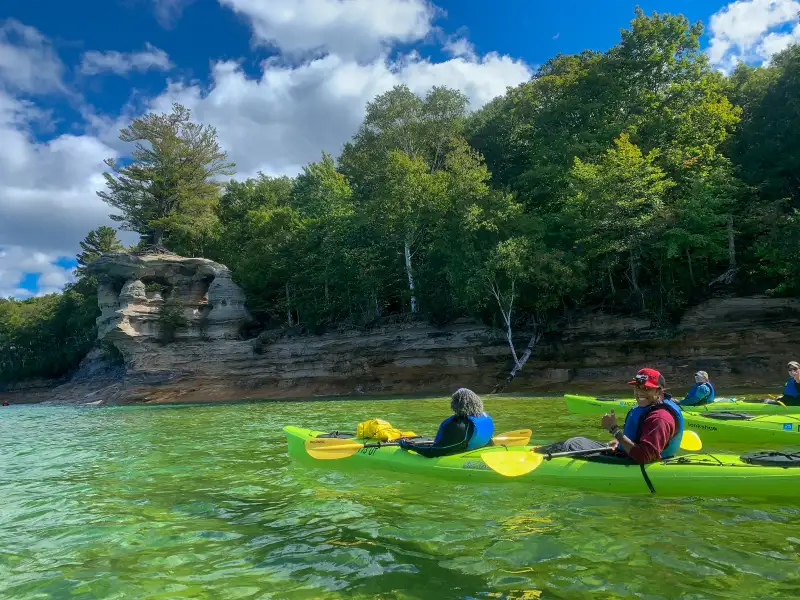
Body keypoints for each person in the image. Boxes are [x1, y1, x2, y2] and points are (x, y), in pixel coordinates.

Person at [536, 368, 685, 465]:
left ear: (659, 392)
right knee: (581, 441)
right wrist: (617, 440)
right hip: (630, 454)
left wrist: (615, 430)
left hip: (633, 461)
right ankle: (538, 449)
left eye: (646, 389)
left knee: (572, 444)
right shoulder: (653, 408)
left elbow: (644, 457)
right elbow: (640, 439)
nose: (639, 392)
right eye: (637, 387)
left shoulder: (659, 418)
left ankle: (535, 453)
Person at [398, 388, 494, 458]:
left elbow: (434, 452)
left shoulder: (458, 425)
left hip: (458, 454)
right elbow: (489, 441)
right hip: (478, 450)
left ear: (455, 404)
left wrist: (409, 446)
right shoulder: (486, 417)